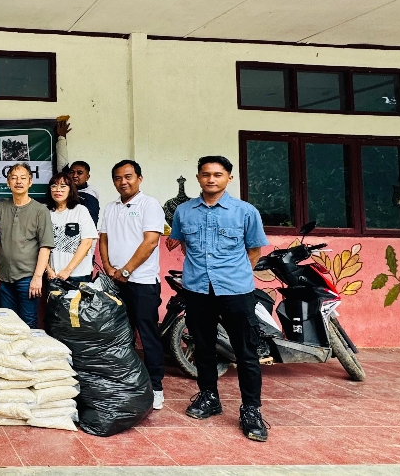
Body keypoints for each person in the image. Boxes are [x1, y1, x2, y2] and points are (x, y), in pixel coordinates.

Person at [170, 155, 270, 442]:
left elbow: (254, 251)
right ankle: (209, 397)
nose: (211, 179)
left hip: (236, 292)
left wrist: (235, 276)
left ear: (229, 178)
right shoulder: (184, 212)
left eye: (217, 174)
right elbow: (186, 245)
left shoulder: (245, 212)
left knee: (245, 352)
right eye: (205, 174)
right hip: (198, 290)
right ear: (198, 178)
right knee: (203, 348)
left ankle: (251, 410)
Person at [99, 159, 167, 410]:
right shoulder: (111, 207)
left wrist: (127, 270)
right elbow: (103, 238)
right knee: (119, 335)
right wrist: (107, 266)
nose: (123, 182)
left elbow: (150, 242)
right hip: (116, 281)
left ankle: (156, 387)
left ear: (139, 178)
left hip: (142, 283)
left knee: (147, 335)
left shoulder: (150, 205)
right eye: (118, 178)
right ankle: (127, 382)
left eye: (128, 176)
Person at [0, 163, 54, 329]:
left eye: (23, 178)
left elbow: (45, 246)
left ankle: (29, 355)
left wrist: (38, 277)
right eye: (14, 178)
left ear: (30, 182)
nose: (19, 181)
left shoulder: (41, 210)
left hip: (28, 277)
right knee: (7, 322)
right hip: (3, 277)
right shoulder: (0, 208)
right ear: (8, 183)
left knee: (28, 322)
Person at [44, 172, 99, 287]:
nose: (58, 190)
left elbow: (87, 243)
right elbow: (40, 245)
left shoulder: (80, 211)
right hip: (53, 276)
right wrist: (48, 269)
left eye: (63, 186)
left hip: (79, 275)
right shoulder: (45, 213)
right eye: (54, 186)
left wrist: (68, 271)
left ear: (71, 190)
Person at [54, 119, 100, 224]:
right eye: (72, 172)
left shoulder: (89, 196)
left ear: (87, 177)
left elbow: (90, 223)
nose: (74, 175)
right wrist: (61, 137)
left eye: (79, 173)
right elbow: (62, 162)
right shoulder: (67, 185)